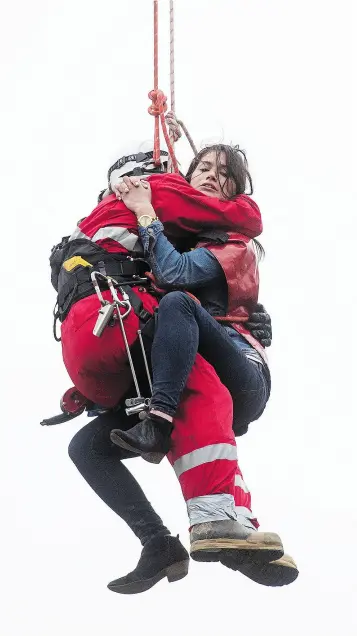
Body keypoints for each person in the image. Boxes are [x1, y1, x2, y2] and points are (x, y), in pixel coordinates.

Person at [51, 145, 297, 592]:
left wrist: (145, 211)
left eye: (222, 174)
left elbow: (176, 275)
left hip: (242, 367)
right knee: (88, 448)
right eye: (201, 168)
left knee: (178, 309)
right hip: (195, 362)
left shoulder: (232, 244)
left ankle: (165, 432)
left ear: (235, 190)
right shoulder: (184, 236)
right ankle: (165, 543)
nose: (208, 177)